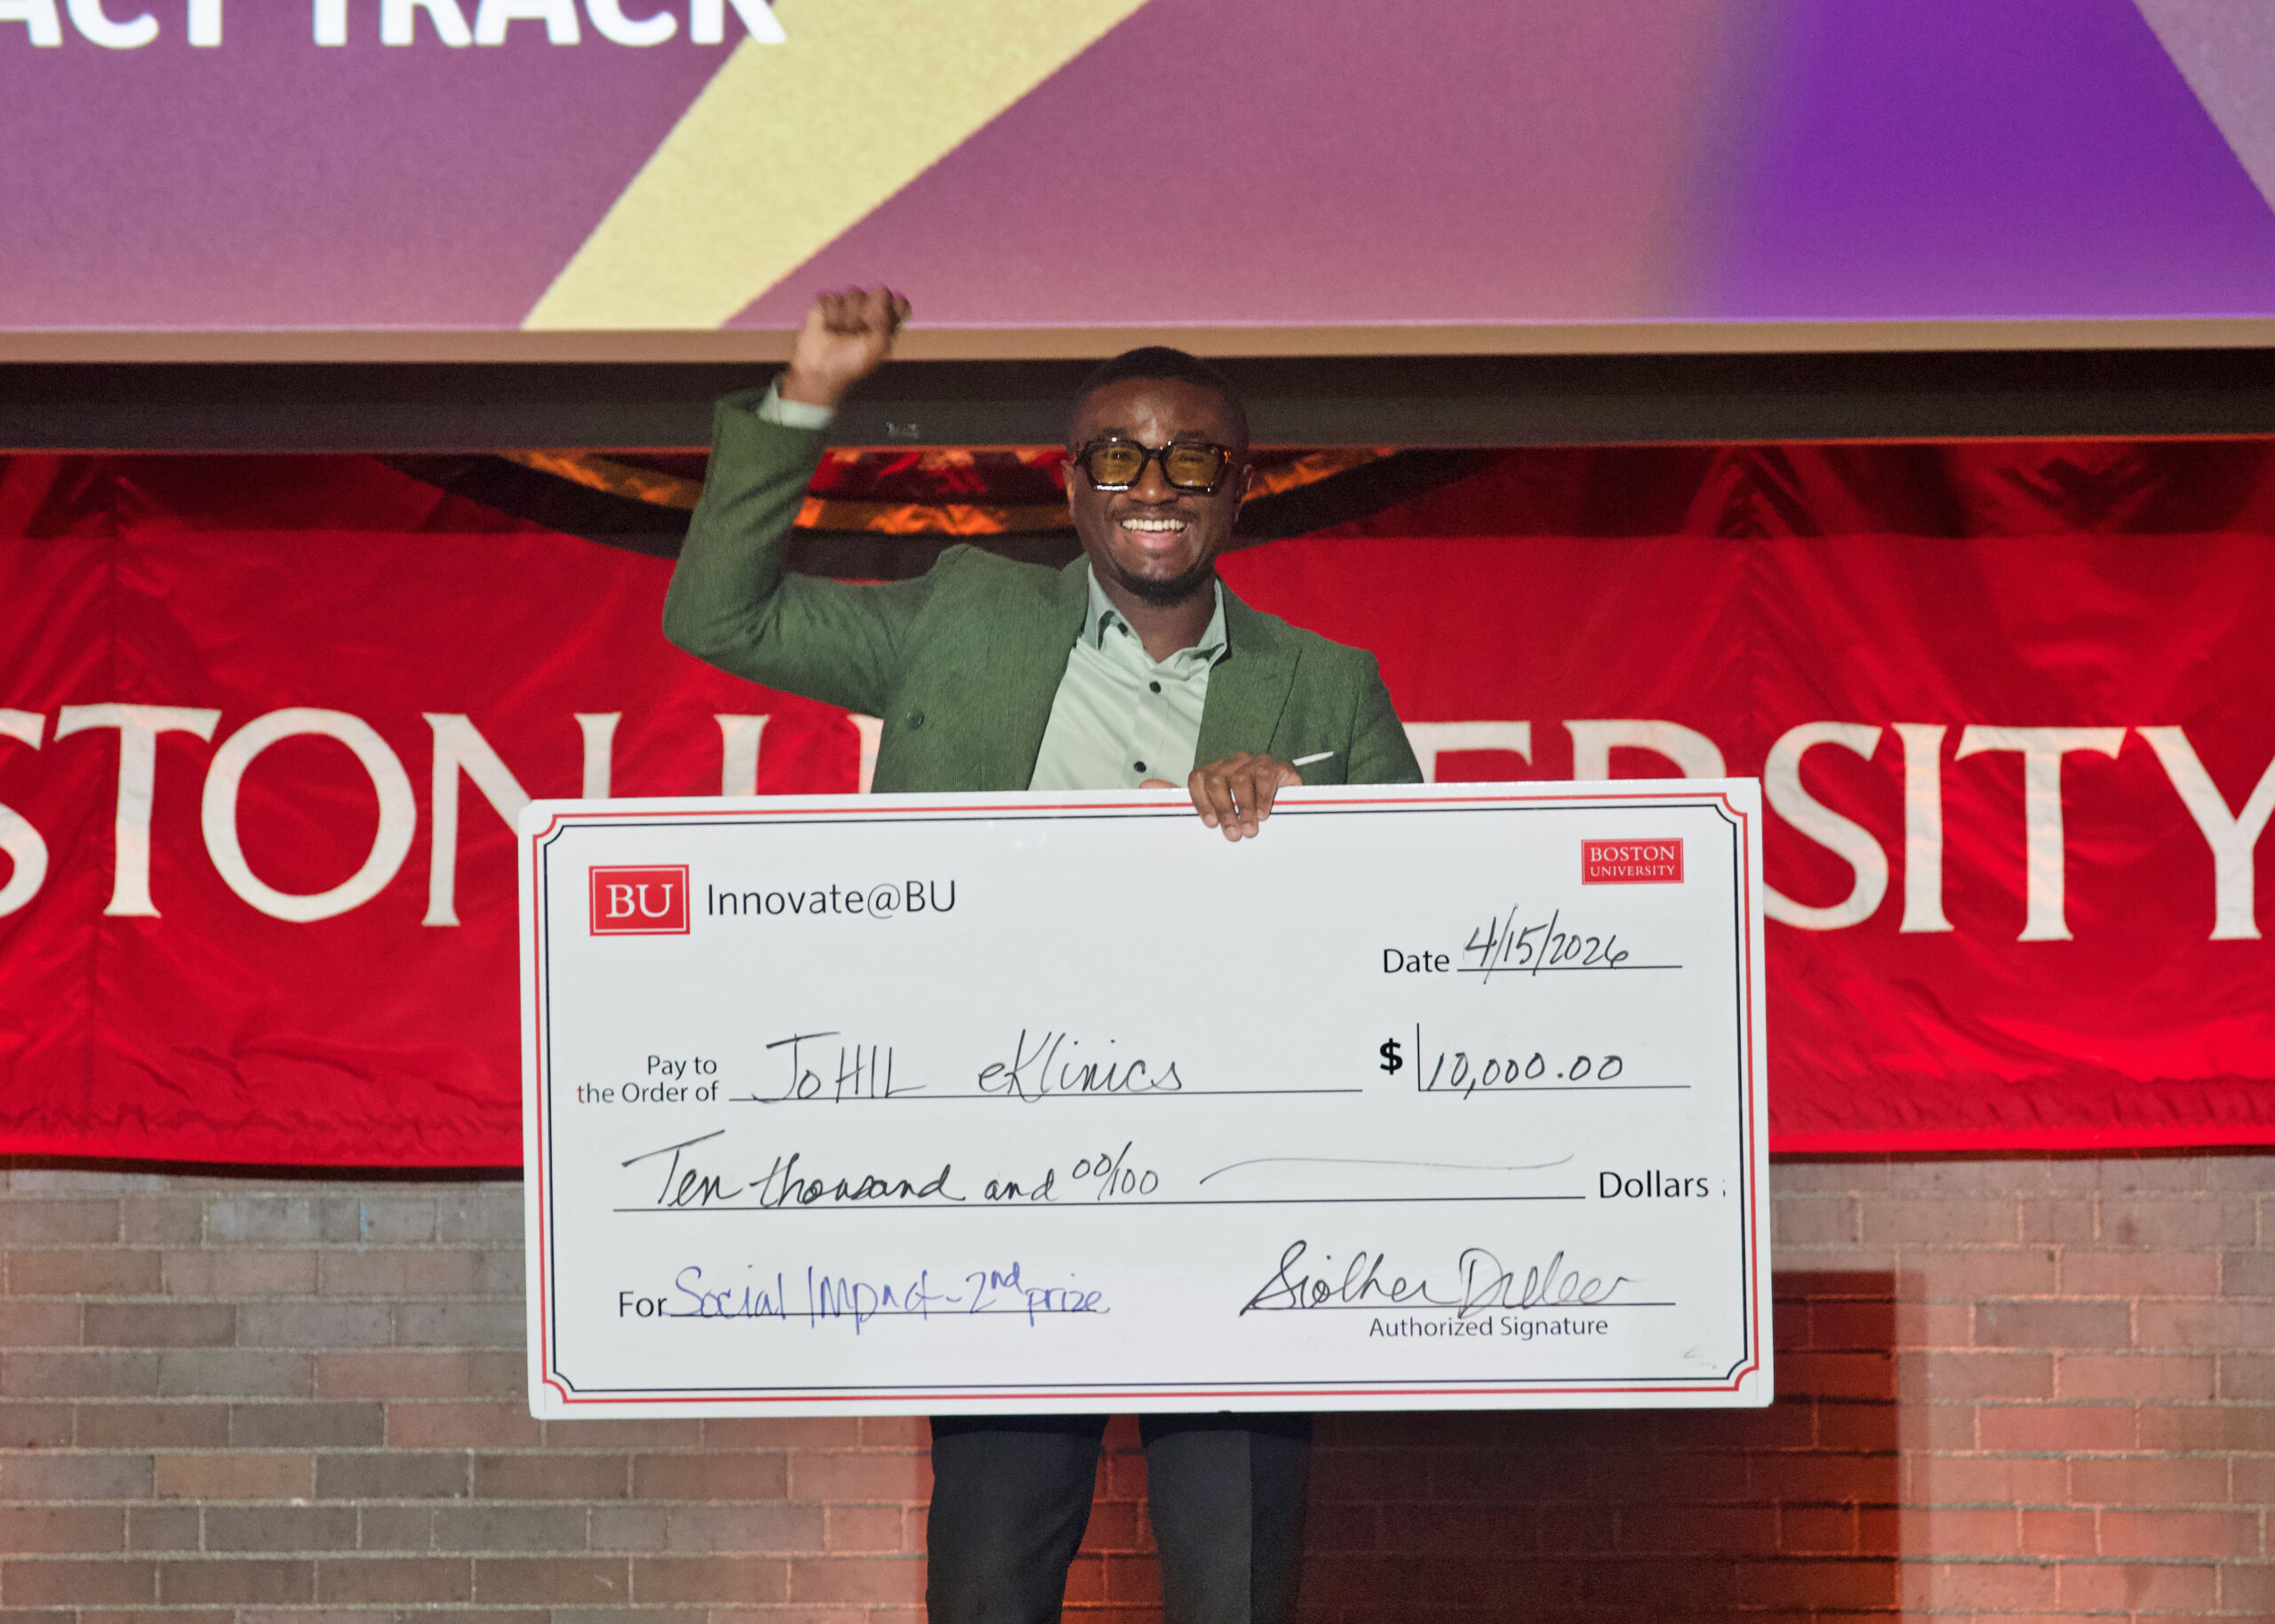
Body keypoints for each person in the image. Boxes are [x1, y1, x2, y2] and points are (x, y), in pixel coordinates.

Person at [663, 288, 1422, 1624]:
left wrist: (1309, 829)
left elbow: (1418, 924)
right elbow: (717, 620)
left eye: (1190, 458)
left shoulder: (1326, 684)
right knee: (988, 1588)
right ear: (1071, 485)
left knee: (1236, 1590)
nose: (1153, 485)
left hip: (1241, 1206)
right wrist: (806, 393)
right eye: (1116, 455)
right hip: (1003, 1194)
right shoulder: (962, 619)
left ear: (1236, 489)